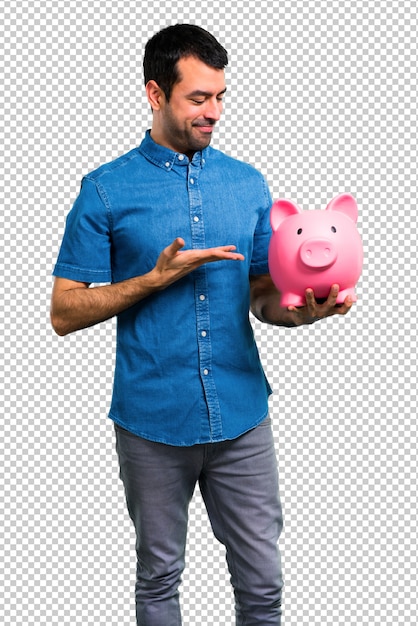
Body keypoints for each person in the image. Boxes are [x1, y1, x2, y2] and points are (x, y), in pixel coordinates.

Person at [50, 24, 353, 626]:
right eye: (197, 98)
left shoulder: (247, 182)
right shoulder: (105, 191)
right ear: (155, 94)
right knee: (159, 578)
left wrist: (301, 311)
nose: (213, 111)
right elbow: (63, 312)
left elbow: (264, 295)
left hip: (242, 415)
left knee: (263, 582)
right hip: (152, 420)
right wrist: (152, 281)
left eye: (220, 96)